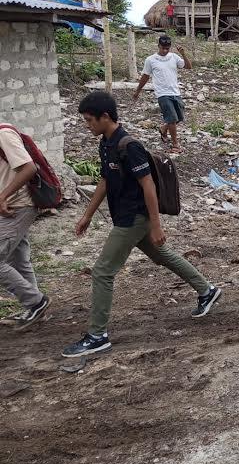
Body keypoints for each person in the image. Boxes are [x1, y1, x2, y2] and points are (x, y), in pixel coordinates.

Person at [63, 92, 221, 358]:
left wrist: (156, 225)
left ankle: (97, 335)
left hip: (134, 218)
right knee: (161, 255)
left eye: (89, 120)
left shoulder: (129, 146)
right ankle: (207, 290)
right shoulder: (106, 143)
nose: (86, 125)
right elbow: (104, 181)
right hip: (126, 216)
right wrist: (87, 215)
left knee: (102, 271)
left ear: (105, 117)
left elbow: (148, 187)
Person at [0, 127, 51, 330]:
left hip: (19, 206)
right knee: (18, 260)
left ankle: (36, 302)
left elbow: (29, 168)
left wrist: (3, 196)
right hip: (10, 208)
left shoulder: (3, 134)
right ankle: (35, 310)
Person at [132, 35, 191, 153]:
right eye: (162, 48)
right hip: (162, 93)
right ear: (158, 46)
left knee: (179, 117)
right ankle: (175, 145)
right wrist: (138, 90)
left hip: (175, 91)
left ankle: (164, 128)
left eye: (167, 48)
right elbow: (145, 76)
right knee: (172, 119)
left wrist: (183, 54)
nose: (164, 51)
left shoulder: (174, 57)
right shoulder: (151, 60)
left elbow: (188, 67)